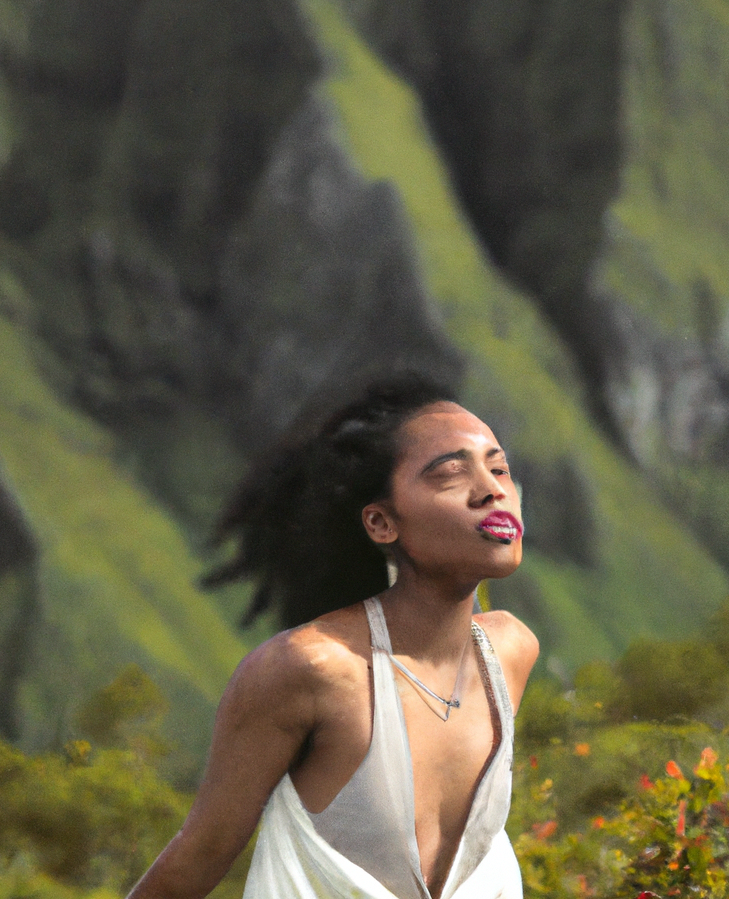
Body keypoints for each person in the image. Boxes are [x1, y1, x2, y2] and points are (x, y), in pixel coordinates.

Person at [128, 375, 539, 899]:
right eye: (452, 474)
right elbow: (196, 860)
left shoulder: (509, 653)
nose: (492, 489)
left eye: (499, 467)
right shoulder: (313, 669)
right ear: (381, 522)